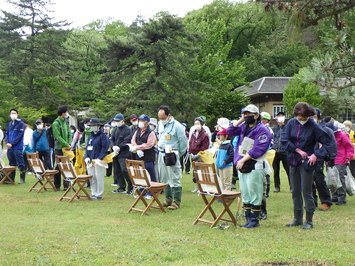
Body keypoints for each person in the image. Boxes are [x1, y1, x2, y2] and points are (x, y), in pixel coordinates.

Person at [281, 102, 332, 229]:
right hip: (293, 160)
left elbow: (327, 143)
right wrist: (297, 150)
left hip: (307, 163)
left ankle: (309, 221)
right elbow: (284, 140)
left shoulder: (314, 125)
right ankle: (297, 218)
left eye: (305, 117)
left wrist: (316, 155)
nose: (302, 119)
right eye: (300, 117)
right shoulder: (291, 123)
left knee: (306, 192)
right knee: (295, 191)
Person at [227, 104, 272, 229]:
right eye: (245, 114)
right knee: (245, 192)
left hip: (254, 164)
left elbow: (259, 148)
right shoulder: (244, 127)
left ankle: (254, 219)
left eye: (249, 114)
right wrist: (241, 120)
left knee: (254, 192)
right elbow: (229, 131)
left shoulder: (262, 130)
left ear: (257, 115)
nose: (247, 116)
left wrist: (243, 160)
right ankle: (247, 217)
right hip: (242, 164)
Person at [157, 106, 187, 210]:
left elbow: (183, 143)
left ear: (169, 116)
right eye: (159, 118)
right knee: (164, 178)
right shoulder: (160, 124)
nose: (161, 120)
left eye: (163, 117)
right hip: (161, 153)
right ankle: (168, 199)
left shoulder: (177, 126)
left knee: (174, 177)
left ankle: (176, 201)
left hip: (171, 154)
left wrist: (177, 154)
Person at [312, 109, 337, 211]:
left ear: (318, 116)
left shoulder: (325, 129)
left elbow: (331, 145)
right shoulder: (306, 129)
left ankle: (326, 202)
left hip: (319, 158)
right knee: (308, 182)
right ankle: (312, 202)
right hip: (306, 158)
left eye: (314, 115)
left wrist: (330, 157)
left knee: (319, 180)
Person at [325, 122, 354, 205]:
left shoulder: (342, 135)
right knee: (332, 178)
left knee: (340, 178)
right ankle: (334, 196)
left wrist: (348, 158)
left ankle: (342, 198)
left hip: (341, 160)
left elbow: (349, 147)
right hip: (330, 159)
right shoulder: (327, 136)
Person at [130, 114, 157, 194]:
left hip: (148, 156)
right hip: (139, 157)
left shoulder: (151, 132)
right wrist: (135, 147)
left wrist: (138, 148)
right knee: (141, 174)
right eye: (140, 120)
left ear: (147, 123)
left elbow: (150, 144)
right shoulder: (137, 131)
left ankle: (152, 191)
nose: (140, 122)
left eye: (142, 121)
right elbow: (133, 140)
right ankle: (143, 190)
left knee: (150, 173)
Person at [84, 119, 110, 200]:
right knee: (92, 177)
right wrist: (86, 157)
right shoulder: (90, 136)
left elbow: (105, 148)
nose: (92, 127)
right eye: (91, 126)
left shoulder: (103, 136)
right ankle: (93, 192)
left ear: (98, 126)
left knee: (99, 177)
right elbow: (88, 148)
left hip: (99, 160)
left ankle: (99, 194)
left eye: (94, 126)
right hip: (90, 160)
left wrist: (99, 158)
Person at [111, 113, 133, 194]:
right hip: (115, 153)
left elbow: (127, 140)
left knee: (125, 170)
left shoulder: (127, 129)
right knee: (117, 170)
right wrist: (113, 146)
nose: (117, 122)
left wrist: (119, 147)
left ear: (123, 121)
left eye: (118, 121)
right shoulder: (115, 129)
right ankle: (121, 187)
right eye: (116, 121)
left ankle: (131, 187)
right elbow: (112, 139)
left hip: (124, 153)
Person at [52, 106, 71, 191]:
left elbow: (69, 133)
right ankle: (57, 185)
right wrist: (66, 144)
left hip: (66, 148)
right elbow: (57, 136)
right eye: (66, 112)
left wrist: (69, 144)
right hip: (59, 148)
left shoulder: (65, 122)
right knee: (59, 166)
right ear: (63, 113)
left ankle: (66, 185)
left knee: (66, 166)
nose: (67, 114)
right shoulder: (56, 123)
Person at [189, 117, 210, 192]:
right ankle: (197, 187)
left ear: (201, 124)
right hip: (193, 155)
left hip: (200, 156)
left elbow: (205, 147)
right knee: (195, 173)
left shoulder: (205, 135)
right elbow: (191, 143)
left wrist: (198, 155)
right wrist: (190, 152)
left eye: (198, 124)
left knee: (201, 172)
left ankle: (202, 188)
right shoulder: (193, 133)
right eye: (195, 124)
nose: (196, 125)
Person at [5, 108, 26, 183]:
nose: (13, 115)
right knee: (11, 163)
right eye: (11, 113)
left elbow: (20, 136)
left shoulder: (21, 124)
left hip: (17, 147)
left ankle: (22, 178)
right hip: (9, 147)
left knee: (20, 162)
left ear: (17, 114)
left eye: (14, 113)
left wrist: (12, 143)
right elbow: (7, 134)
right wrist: (7, 142)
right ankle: (11, 178)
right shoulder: (9, 124)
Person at [271, 111, 291, 192]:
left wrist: (283, 126)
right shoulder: (273, 128)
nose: (280, 117)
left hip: (285, 152)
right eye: (279, 116)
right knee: (276, 170)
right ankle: (277, 187)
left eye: (282, 116)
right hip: (275, 152)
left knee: (288, 170)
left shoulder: (287, 128)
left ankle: (292, 187)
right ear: (276, 118)